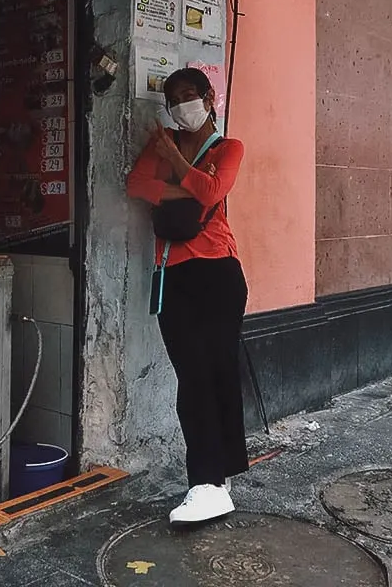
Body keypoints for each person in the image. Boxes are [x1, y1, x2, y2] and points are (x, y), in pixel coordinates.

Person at [126, 67, 248, 525]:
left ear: (209, 97)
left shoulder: (227, 148)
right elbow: (136, 185)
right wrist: (185, 188)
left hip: (219, 272)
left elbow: (214, 189)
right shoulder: (161, 147)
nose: (182, 105)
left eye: (189, 96)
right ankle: (213, 478)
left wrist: (177, 165)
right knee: (192, 377)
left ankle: (211, 481)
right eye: (174, 99)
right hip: (172, 273)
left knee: (216, 374)